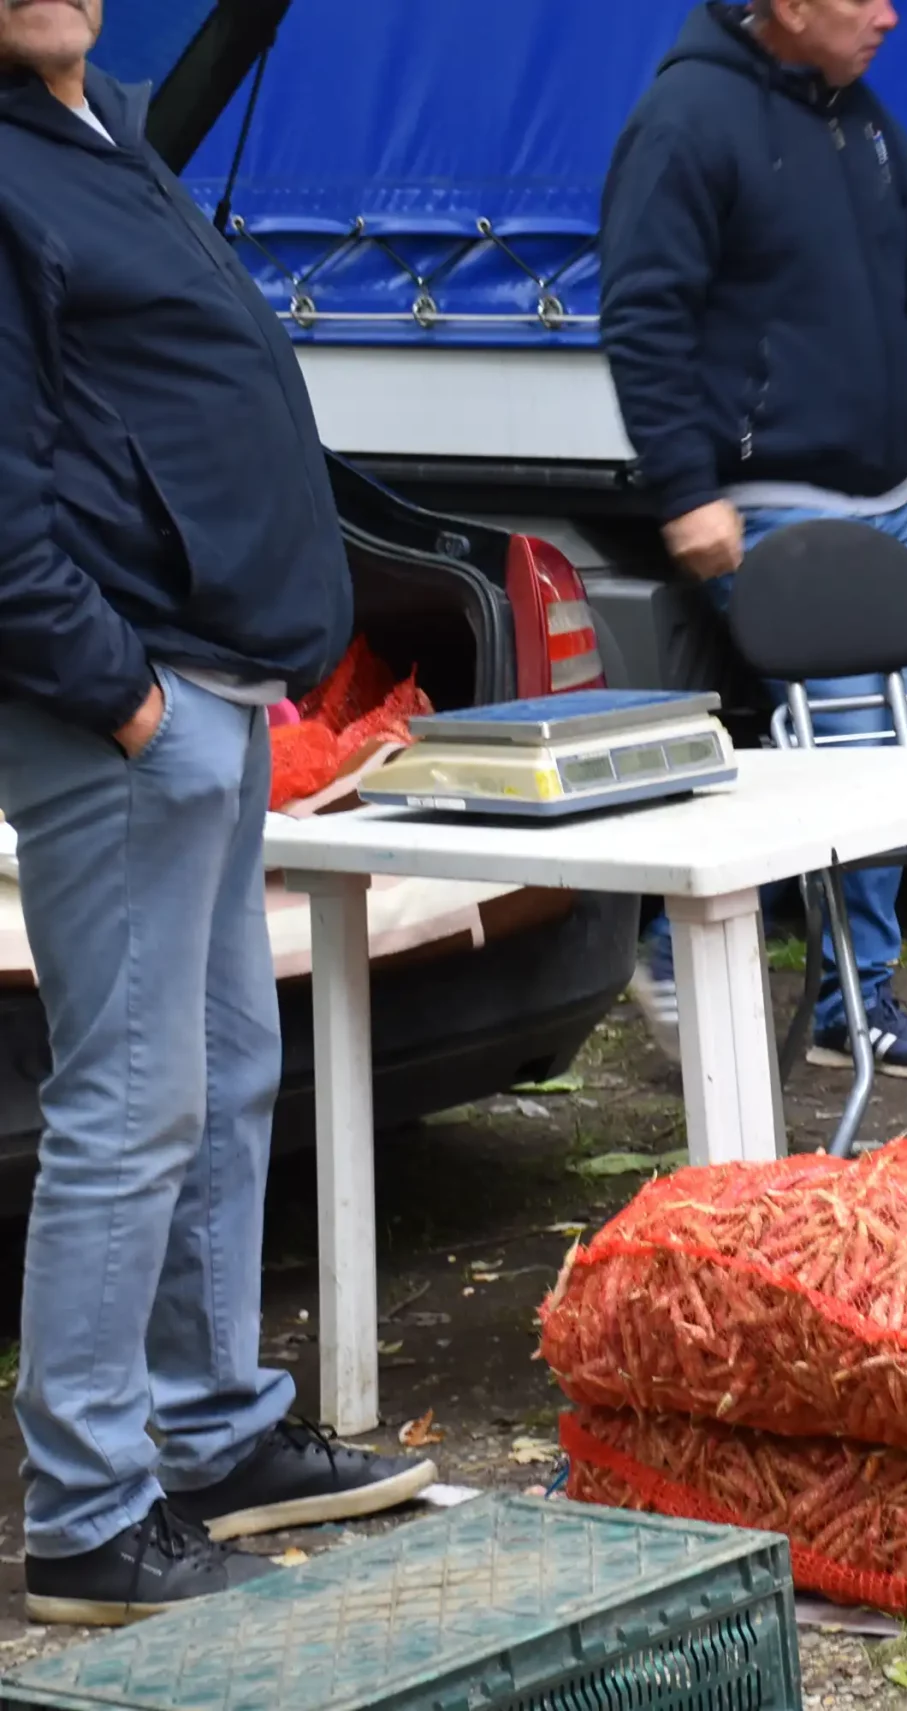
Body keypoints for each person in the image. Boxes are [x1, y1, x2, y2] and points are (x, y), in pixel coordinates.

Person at [0, 0, 436, 1626]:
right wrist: (116, 690)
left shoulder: (101, 121)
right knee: (132, 1104)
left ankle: (211, 1432)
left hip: (214, 687)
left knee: (229, 1068)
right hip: (126, 704)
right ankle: (91, 1518)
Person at [600, 0, 907, 1078]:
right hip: (775, 503)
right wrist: (687, 490)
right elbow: (643, 316)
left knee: (876, 757)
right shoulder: (688, 119)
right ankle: (775, 976)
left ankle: (832, 988)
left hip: (880, 493)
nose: (893, 15)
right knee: (849, 766)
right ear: (792, 5)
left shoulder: (861, 119)